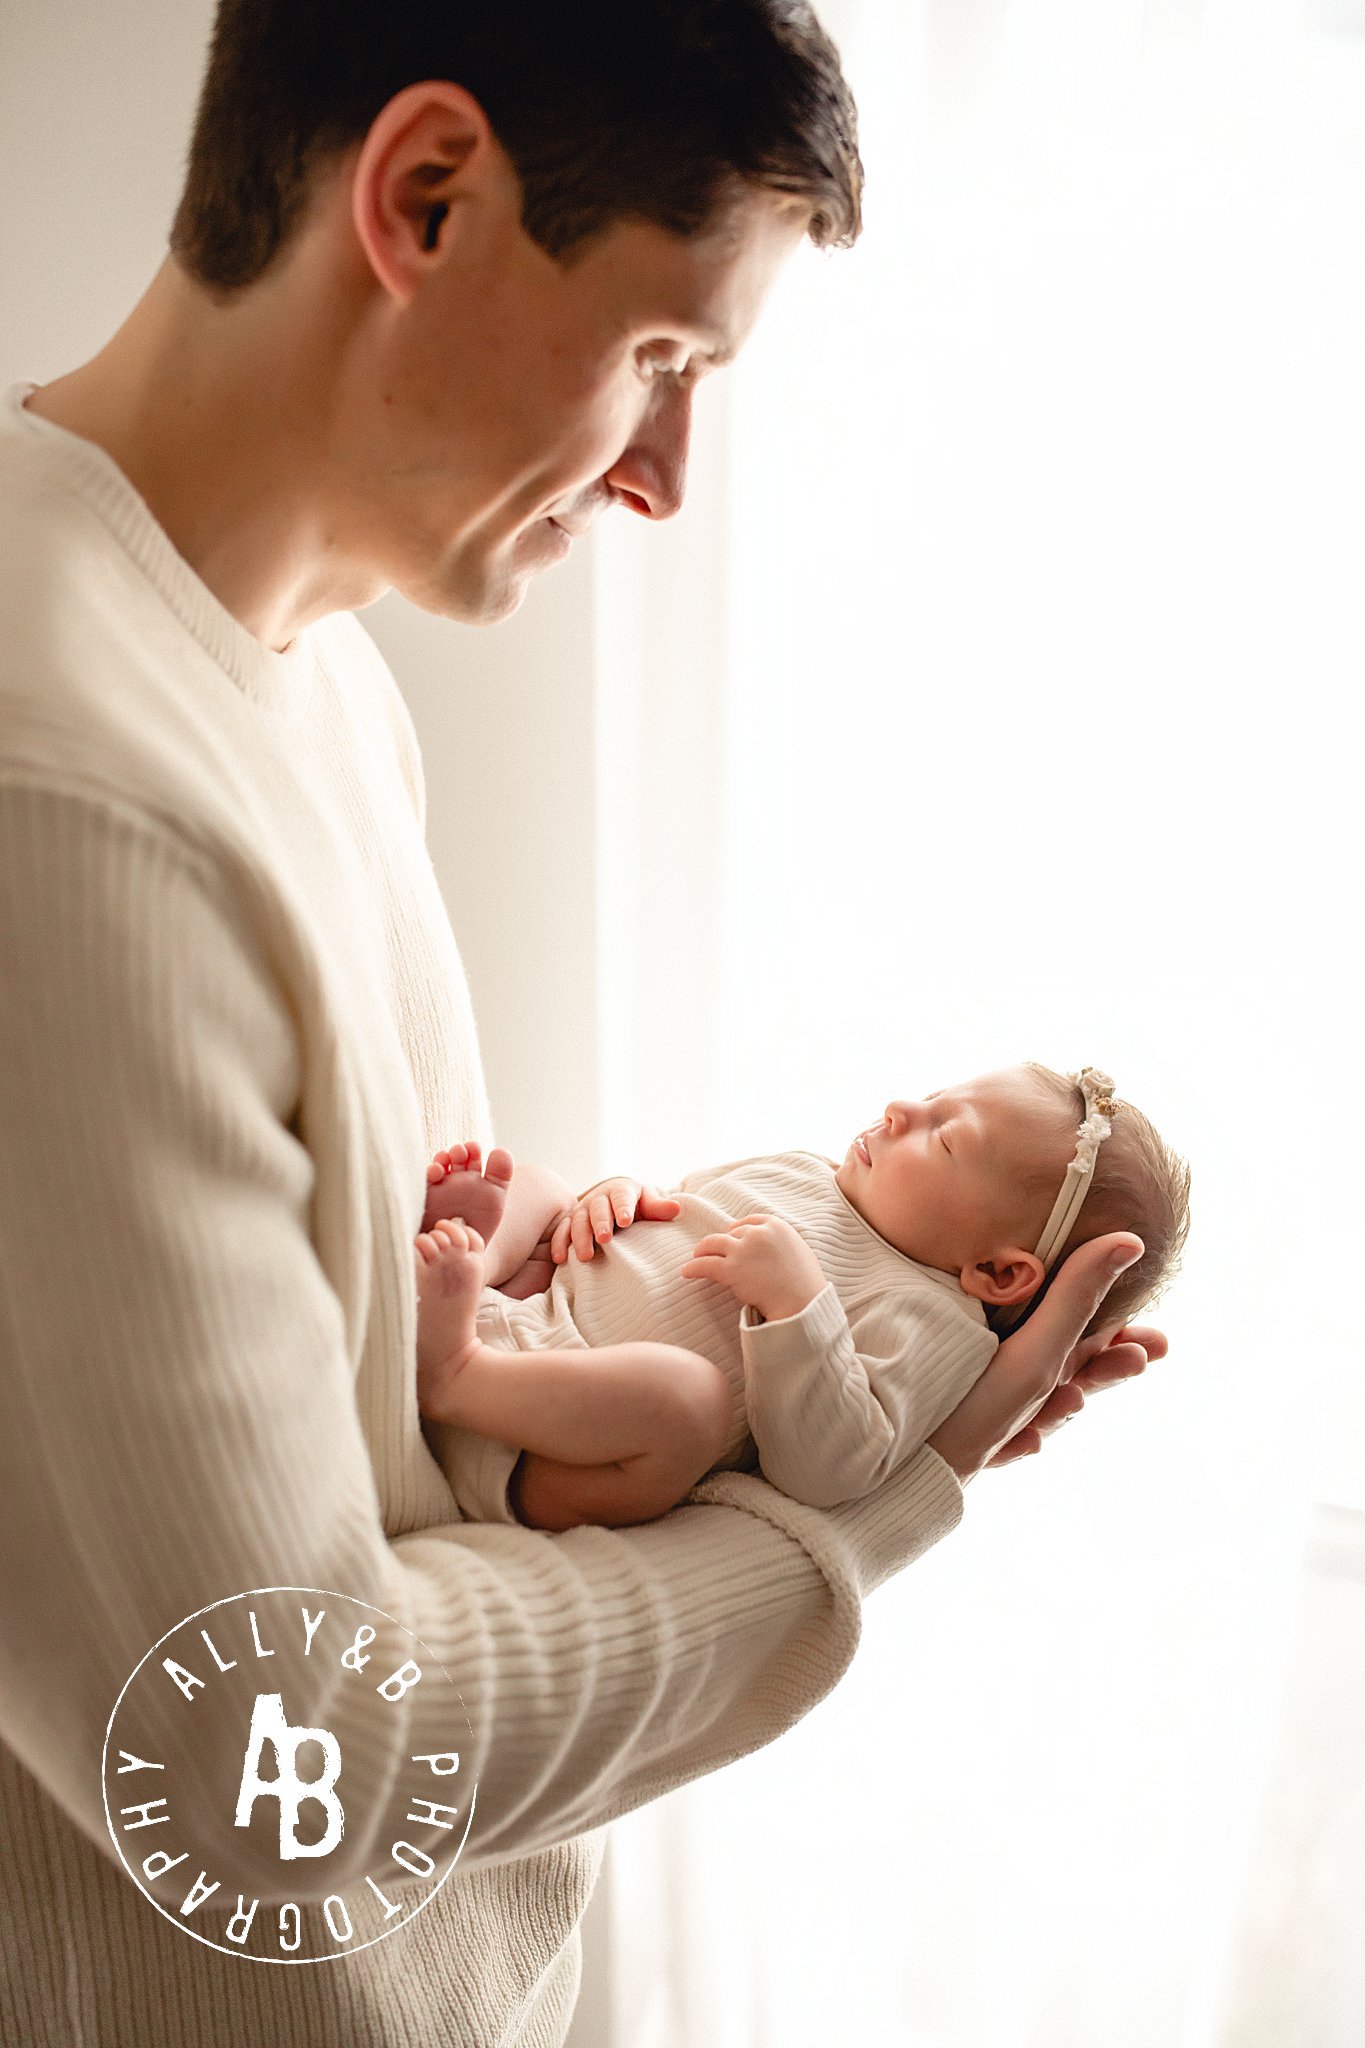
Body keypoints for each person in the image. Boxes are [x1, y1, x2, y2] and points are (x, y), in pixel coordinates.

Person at [0, 4, 1166, 2043]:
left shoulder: (315, 676)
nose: (662, 477)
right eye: (662, 356)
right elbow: (268, 1762)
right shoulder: (70, 796)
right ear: (424, 197)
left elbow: (369, 1429)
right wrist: (856, 1513)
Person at [414, 1065, 1189, 1530]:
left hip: (552, 1455)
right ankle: (468, 1270)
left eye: (944, 1139)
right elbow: (672, 1203)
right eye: (929, 1099)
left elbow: (832, 1471)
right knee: (542, 1187)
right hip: (539, 1301)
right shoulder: (804, 1172)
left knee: (687, 1399)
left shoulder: (935, 1321)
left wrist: (799, 1305)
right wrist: (610, 1201)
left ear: (996, 1273)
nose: (899, 1112)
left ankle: (452, 1370)